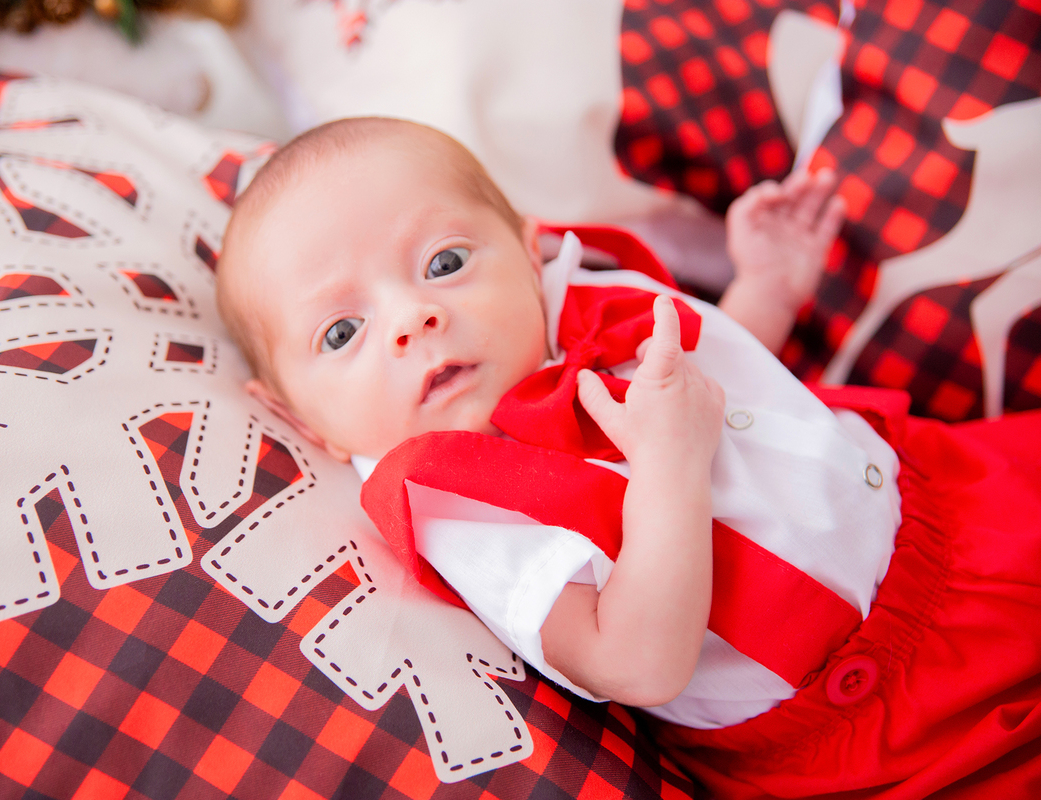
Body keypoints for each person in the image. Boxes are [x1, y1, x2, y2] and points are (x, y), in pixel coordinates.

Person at [216, 117, 1041, 798]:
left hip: (957, 501)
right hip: (889, 716)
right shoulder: (462, 502)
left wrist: (766, 291)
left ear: (528, 248)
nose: (412, 316)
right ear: (300, 417)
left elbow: (712, 385)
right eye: (341, 332)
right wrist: (669, 469)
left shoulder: (574, 307)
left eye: (445, 262)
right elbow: (634, 661)